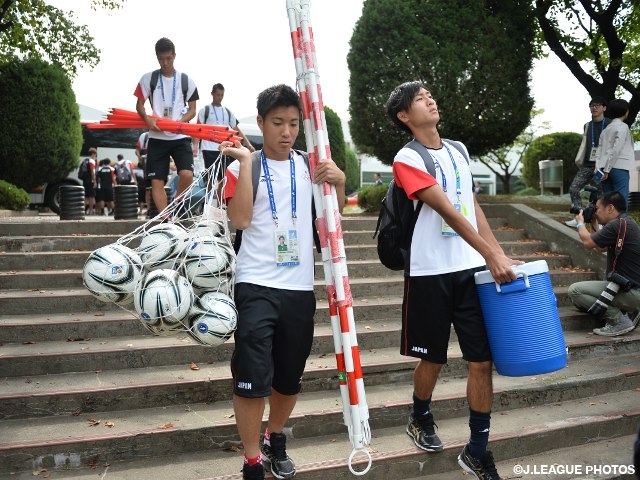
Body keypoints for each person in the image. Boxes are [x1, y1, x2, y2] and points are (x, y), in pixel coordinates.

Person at [385, 81, 521, 480]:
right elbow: (447, 211)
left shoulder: (459, 150)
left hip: (469, 271)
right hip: (430, 272)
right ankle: (420, 414)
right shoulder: (406, 158)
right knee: (434, 356)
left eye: (430, 95)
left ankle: (478, 449)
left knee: (482, 360)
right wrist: (491, 255)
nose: (430, 100)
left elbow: (471, 206)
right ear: (404, 116)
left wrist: (496, 252)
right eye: (419, 99)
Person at [221, 84, 346, 480]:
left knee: (289, 378)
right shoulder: (244, 166)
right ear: (260, 123)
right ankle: (253, 458)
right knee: (252, 377)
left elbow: (330, 224)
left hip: (298, 289)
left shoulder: (312, 165)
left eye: (294, 123)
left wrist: (338, 182)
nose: (287, 131)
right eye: (277, 123)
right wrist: (242, 161)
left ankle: (276, 438)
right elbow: (239, 221)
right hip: (254, 285)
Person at [134, 37, 199, 214]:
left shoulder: (186, 80)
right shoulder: (148, 79)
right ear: (157, 57)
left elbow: (193, 110)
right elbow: (139, 105)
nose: (165, 62)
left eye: (169, 58)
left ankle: (175, 207)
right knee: (157, 181)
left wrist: (180, 121)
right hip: (156, 136)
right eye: (161, 59)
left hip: (180, 135)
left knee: (187, 174)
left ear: (174, 56)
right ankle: (166, 219)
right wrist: (148, 121)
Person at [568, 191, 640, 336]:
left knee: (575, 291)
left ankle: (619, 320)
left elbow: (588, 243)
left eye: (597, 209)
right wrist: (594, 221)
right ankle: (631, 311)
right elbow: (600, 248)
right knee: (580, 301)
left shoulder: (616, 225)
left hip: (630, 292)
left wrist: (580, 223)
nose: (596, 212)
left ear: (610, 208)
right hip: (631, 289)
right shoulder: (625, 223)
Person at [194, 83, 255, 189]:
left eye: (222, 95)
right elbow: (198, 129)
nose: (219, 97)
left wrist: (248, 144)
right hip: (208, 149)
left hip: (224, 149)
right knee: (210, 178)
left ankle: (220, 204)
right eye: (217, 94)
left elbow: (236, 129)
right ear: (212, 94)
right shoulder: (205, 110)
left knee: (223, 178)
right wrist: (195, 146)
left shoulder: (227, 112)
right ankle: (206, 201)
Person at [565, 97, 609, 227]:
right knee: (574, 188)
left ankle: (600, 222)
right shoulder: (587, 125)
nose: (594, 107)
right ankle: (579, 216)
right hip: (587, 164)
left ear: (604, 108)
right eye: (591, 105)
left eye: (597, 105)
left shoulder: (610, 124)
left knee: (600, 194)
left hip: (601, 166)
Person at [596, 99, 634, 206]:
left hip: (604, 169)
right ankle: (621, 223)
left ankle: (609, 223)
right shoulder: (623, 126)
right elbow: (616, 149)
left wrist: (599, 169)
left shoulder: (606, 129)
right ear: (625, 111)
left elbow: (599, 151)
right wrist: (608, 169)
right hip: (619, 167)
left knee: (608, 201)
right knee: (621, 201)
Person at [135, 131, 150, 214]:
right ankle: (149, 209)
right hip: (147, 165)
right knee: (148, 188)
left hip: (156, 164)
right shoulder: (144, 135)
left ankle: (152, 209)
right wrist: (140, 158)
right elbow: (137, 150)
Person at [82, 148, 98, 215]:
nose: (96, 156)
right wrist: (94, 181)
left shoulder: (85, 160)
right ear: (93, 154)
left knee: (85, 196)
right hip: (90, 180)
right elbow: (92, 171)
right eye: (95, 154)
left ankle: (84, 211)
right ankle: (91, 211)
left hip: (85, 180)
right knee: (91, 196)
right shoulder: (92, 161)